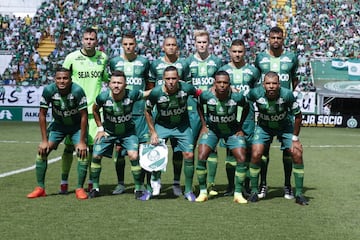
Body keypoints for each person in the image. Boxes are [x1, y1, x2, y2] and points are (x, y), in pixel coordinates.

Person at [246, 71, 308, 206]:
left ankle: (298, 193)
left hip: (285, 127)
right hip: (264, 127)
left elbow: (298, 116)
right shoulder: (255, 93)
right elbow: (244, 102)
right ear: (263, 85)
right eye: (268, 83)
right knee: (256, 153)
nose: (271, 86)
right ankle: (255, 191)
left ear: (279, 85)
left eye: (274, 83)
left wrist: (295, 138)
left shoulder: (287, 95)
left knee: (297, 153)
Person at [60, 27, 109, 194]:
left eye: (92, 39)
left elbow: (108, 80)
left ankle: (90, 182)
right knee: (68, 148)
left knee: (92, 149)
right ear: (82, 40)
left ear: (97, 41)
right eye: (86, 39)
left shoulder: (103, 58)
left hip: (94, 113)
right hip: (74, 112)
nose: (89, 41)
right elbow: (62, 80)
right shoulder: (71, 58)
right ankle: (64, 181)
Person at [27, 67, 89, 200]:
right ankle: (40, 188)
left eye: (65, 78)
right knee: (42, 152)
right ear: (55, 79)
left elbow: (84, 116)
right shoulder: (49, 90)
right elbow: (42, 114)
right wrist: (44, 140)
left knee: (82, 152)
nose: (62, 81)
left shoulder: (77, 91)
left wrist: (83, 141)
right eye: (59, 78)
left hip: (76, 126)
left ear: (70, 80)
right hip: (58, 126)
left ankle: (79, 188)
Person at [89, 70, 151, 200]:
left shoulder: (132, 94)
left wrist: (164, 87)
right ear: (109, 84)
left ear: (125, 85)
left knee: (134, 155)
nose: (116, 85)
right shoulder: (103, 97)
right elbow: (94, 110)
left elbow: (146, 93)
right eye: (114, 82)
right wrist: (100, 128)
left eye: (119, 83)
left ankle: (138, 189)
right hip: (109, 133)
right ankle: (95, 188)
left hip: (128, 133)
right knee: (95, 155)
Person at [254, 26, 299, 200]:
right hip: (266, 111)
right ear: (268, 39)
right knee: (262, 149)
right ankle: (262, 184)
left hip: (284, 112)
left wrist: (286, 98)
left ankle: (287, 185)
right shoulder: (260, 58)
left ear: (283, 39)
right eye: (273, 37)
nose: (275, 41)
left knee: (288, 151)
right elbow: (256, 81)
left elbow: (294, 80)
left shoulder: (292, 58)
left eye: (279, 38)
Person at [145, 66, 200, 202]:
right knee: (154, 153)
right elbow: (146, 111)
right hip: (162, 125)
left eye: (174, 78)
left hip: (182, 126)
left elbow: (199, 94)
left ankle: (187, 190)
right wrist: (153, 132)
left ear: (178, 79)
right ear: (163, 79)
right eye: (168, 78)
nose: (171, 81)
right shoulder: (156, 92)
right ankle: (154, 182)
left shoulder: (186, 88)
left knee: (189, 154)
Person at [195, 71, 249, 203]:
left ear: (230, 84)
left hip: (232, 131)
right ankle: (203, 192)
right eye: (219, 82)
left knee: (241, 158)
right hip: (213, 130)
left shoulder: (237, 97)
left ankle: (237, 193)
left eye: (225, 83)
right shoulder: (206, 96)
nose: (222, 85)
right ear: (214, 84)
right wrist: (203, 125)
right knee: (201, 156)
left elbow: (247, 108)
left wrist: (240, 126)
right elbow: (199, 106)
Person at [108, 31, 151, 195]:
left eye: (131, 44)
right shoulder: (114, 62)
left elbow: (149, 85)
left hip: (140, 113)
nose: (128, 47)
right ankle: (121, 183)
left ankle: (142, 184)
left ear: (136, 44)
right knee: (119, 150)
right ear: (122, 45)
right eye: (125, 44)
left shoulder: (144, 62)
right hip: (120, 113)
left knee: (142, 150)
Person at [184, 29, 223, 196]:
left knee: (212, 147)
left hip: (211, 109)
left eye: (204, 42)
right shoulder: (188, 62)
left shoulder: (216, 62)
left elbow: (220, 82)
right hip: (193, 109)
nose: (201, 45)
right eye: (199, 42)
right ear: (195, 44)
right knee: (190, 147)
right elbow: (185, 86)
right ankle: (189, 186)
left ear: (209, 43)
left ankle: (211, 184)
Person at [219, 39, 260, 196]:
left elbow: (257, 93)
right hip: (228, 116)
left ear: (245, 52)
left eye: (240, 52)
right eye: (234, 51)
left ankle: (246, 186)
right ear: (230, 52)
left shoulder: (253, 71)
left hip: (248, 116)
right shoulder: (223, 70)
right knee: (230, 152)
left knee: (248, 151)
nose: (237, 54)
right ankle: (231, 186)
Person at [148, 36, 188, 196]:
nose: (171, 47)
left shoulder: (183, 64)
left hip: (179, 115)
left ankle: (176, 183)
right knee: (157, 149)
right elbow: (151, 88)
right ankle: (155, 182)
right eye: (168, 45)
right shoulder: (155, 65)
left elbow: (187, 87)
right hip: (160, 115)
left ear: (177, 47)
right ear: (163, 47)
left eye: (174, 45)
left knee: (178, 152)